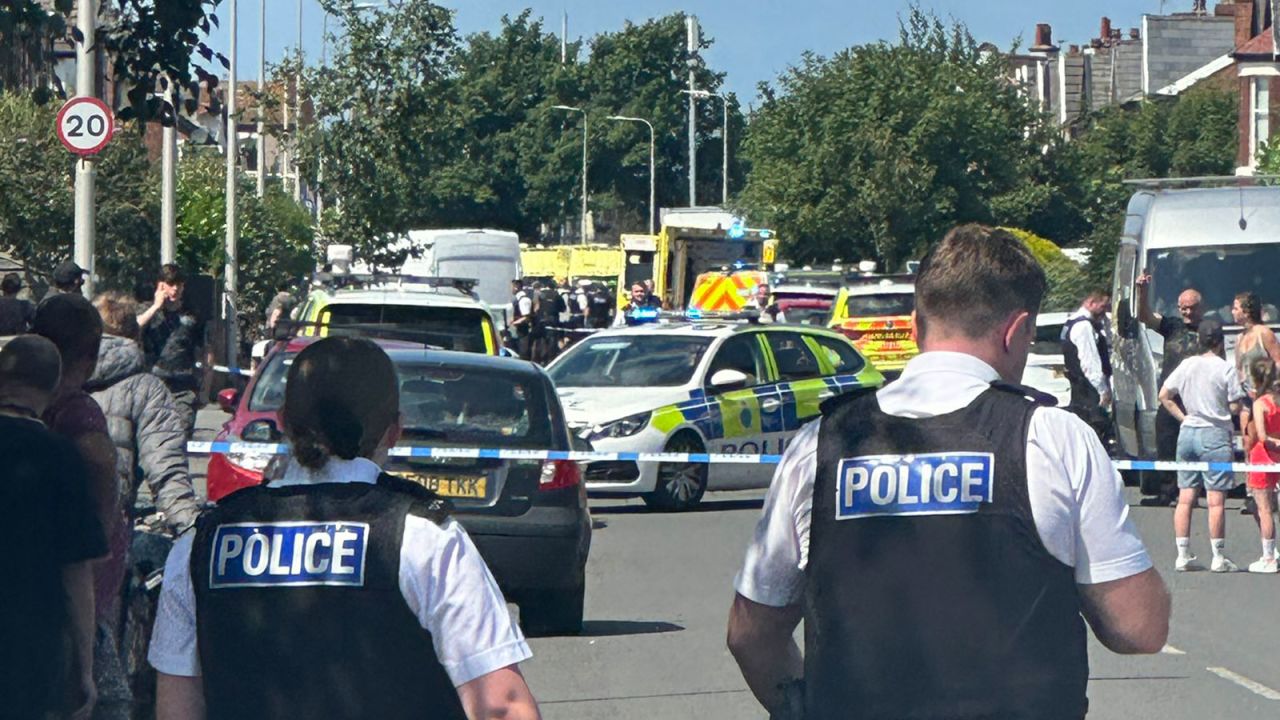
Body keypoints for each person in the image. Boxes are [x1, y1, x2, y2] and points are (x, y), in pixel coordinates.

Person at [727, 225, 1169, 720]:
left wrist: (803, 707)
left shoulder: (822, 443)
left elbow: (751, 633)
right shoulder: (1051, 438)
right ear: (1015, 330)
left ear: (917, 326)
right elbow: (1139, 626)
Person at [149, 337, 540, 720]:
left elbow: (176, 709)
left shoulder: (201, 545)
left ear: (283, 421)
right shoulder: (420, 538)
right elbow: (502, 707)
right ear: (394, 430)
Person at [33, 295, 133, 719]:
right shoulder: (78, 413)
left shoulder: (25, 405)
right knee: (105, 702)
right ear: (91, 355)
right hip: (80, 603)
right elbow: (99, 463)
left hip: (30, 594)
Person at [0, 335, 107, 720]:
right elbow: (76, 571)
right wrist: (85, 666)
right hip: (26, 649)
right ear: (54, 387)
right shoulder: (60, 458)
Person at [1158, 318, 1244, 573]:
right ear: (1219, 342)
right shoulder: (1225, 369)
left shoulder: (1187, 365)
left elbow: (1165, 395)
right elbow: (1236, 404)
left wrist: (1183, 417)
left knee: (1186, 496)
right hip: (1215, 433)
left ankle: (1182, 553)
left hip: (1188, 432)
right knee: (1216, 500)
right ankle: (1218, 555)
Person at [1136, 272, 1203, 506]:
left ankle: (1193, 492)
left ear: (1200, 307)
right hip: (1170, 397)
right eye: (1182, 308)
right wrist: (1142, 292)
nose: (1186, 313)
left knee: (1195, 447)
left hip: (1196, 398)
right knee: (1166, 442)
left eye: (1190, 308)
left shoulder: (1209, 329)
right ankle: (1167, 491)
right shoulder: (1172, 326)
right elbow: (1144, 317)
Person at [138, 264, 206, 438]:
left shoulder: (192, 314)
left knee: (181, 436)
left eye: (179, 284)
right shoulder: (147, 310)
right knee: (153, 437)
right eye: (170, 284)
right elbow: (133, 329)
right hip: (153, 385)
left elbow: (205, 350)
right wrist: (155, 307)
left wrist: (204, 387)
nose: (175, 289)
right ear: (160, 285)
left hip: (183, 386)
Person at [1062, 290, 1112, 441]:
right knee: (1094, 434)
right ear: (1091, 303)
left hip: (1079, 389)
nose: (1105, 311)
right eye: (1103, 306)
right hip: (1088, 392)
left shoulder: (1071, 322)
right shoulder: (1084, 326)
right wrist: (1103, 390)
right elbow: (1089, 362)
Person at [1245, 357, 1280, 573]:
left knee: (1264, 509)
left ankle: (1269, 557)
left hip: (1263, 456)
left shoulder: (1260, 404)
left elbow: (1261, 434)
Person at [509, 279, 534, 360]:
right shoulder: (518, 299)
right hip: (520, 331)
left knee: (524, 352)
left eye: (512, 287)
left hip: (525, 331)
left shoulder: (524, 300)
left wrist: (515, 322)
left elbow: (526, 317)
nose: (511, 289)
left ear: (516, 287)